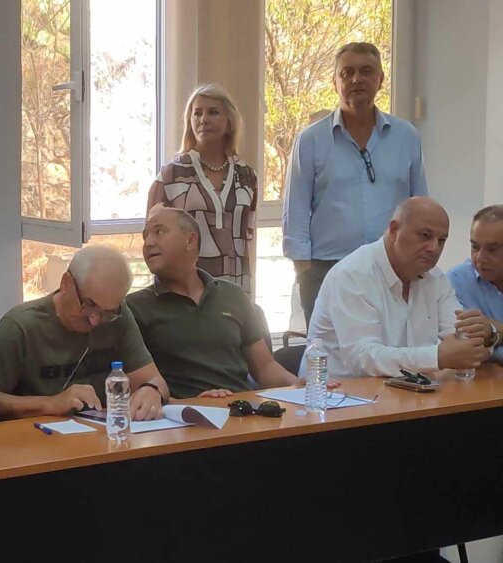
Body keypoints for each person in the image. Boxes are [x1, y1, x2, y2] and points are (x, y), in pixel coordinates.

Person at [282, 42, 427, 325]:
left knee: (394, 346)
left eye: (366, 71)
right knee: (331, 349)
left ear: (380, 79)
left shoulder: (405, 136)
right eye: (346, 73)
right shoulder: (310, 140)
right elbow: (295, 210)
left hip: (393, 266)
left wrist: (419, 260)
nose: (356, 79)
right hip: (327, 269)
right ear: (335, 82)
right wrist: (304, 270)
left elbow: (419, 204)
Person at [128, 206, 328, 399]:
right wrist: (189, 404)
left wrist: (299, 385)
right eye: (145, 236)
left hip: (241, 410)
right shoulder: (135, 307)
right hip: (181, 416)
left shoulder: (232, 295)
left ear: (190, 240)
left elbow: (265, 368)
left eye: (159, 232)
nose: (148, 243)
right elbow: (143, 387)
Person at [304, 197, 492, 378]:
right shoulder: (352, 275)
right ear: (394, 230)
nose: (434, 248)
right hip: (338, 394)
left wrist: (483, 337)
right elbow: (361, 359)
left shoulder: (436, 279)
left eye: (441, 240)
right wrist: (437, 358)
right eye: (425, 236)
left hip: (409, 393)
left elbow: (459, 339)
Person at [0, 245, 170, 421]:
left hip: (102, 434)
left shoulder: (118, 317)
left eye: (107, 313)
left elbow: (154, 380)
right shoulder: (21, 326)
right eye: (89, 305)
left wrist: (151, 390)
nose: (95, 321)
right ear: (66, 283)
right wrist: (50, 404)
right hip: (37, 437)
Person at [146, 84, 257, 295]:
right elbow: (152, 241)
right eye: (197, 113)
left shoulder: (246, 176)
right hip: (184, 292)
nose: (203, 119)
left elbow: (248, 239)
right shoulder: (171, 175)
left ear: (229, 122)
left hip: (234, 290)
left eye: (213, 112)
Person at [448, 204, 503, 362]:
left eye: (492, 249)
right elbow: (469, 349)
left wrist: (494, 333)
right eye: (475, 247)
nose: (480, 258)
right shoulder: (457, 280)